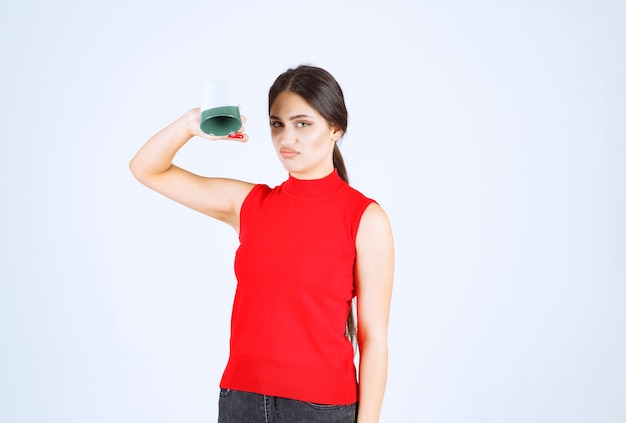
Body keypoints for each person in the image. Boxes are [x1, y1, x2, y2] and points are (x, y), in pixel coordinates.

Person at [129, 65, 394, 423]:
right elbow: (147, 168)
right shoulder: (249, 204)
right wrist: (193, 123)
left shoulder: (366, 219)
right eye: (277, 124)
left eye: (303, 124)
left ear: (335, 128)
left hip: (320, 409)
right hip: (242, 401)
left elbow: (373, 338)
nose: (287, 139)